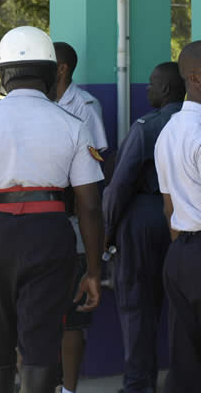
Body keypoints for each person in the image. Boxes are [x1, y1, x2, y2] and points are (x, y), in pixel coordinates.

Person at [0, 26, 104, 393]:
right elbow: (90, 207)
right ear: (50, 74)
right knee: (42, 341)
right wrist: (93, 271)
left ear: (3, 75)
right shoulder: (73, 125)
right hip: (50, 233)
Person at [104, 62, 185, 393]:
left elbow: (119, 186)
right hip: (188, 222)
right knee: (186, 309)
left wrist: (106, 233)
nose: (147, 90)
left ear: (166, 90)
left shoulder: (147, 126)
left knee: (138, 306)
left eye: (152, 85)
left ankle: (139, 385)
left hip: (144, 217)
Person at [53, 41, 108, 393]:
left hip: (71, 218)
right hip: (37, 216)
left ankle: (67, 388)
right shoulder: (37, 103)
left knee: (71, 314)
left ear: (61, 69)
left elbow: (98, 163)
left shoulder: (84, 106)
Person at [154, 41, 201, 392]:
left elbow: (170, 207)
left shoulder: (168, 131)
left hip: (182, 254)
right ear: (196, 77)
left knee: (185, 363)